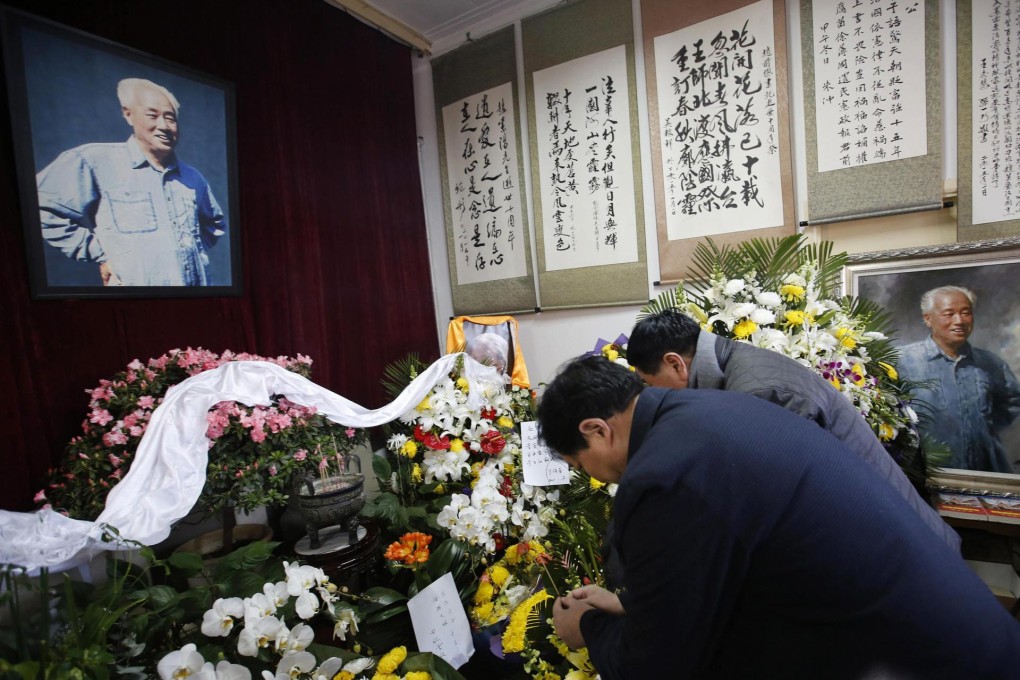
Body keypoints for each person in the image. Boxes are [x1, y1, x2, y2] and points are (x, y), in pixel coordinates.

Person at [538, 356, 1020, 680]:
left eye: (580, 464)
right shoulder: (711, 410)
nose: (596, 479)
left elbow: (661, 664)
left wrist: (591, 629)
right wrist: (635, 605)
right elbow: (736, 566)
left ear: (597, 431)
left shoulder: (660, 475)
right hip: (957, 631)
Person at [626, 308, 958, 549]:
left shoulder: (757, 390)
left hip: (901, 544)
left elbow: (783, 498)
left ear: (675, 363)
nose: (654, 393)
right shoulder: (738, 364)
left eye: (648, 382)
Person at [36, 78, 226, 286]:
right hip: (134, 303)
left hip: (195, 299)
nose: (163, 126)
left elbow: (214, 224)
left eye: (170, 118)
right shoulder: (93, 161)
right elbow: (42, 210)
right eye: (152, 115)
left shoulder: (193, 178)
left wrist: (188, 252)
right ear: (128, 115)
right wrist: (100, 254)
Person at [897, 285, 1020, 473]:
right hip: (923, 477)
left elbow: (1012, 402)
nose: (959, 321)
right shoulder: (902, 361)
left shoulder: (990, 363)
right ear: (927, 318)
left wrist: (980, 428)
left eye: (966, 313)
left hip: (984, 475)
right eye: (949, 314)